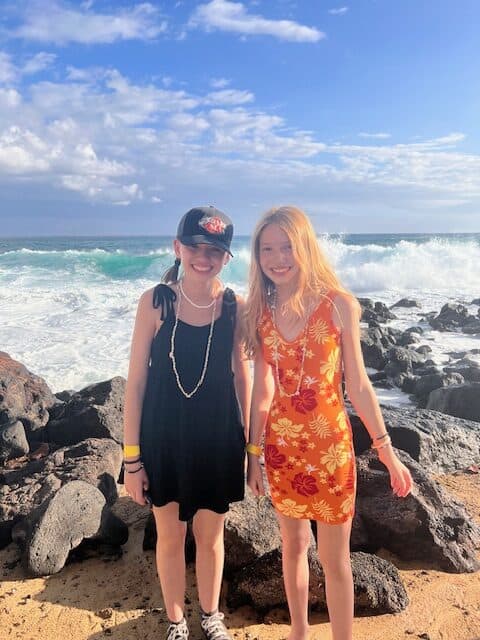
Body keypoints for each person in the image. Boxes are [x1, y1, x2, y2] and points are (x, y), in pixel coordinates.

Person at [245, 206, 413, 640]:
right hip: (282, 450)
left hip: (331, 449)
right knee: (294, 547)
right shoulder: (259, 314)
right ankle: (299, 633)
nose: (278, 257)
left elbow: (358, 384)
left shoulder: (339, 306)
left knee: (336, 559)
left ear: (305, 247)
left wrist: (387, 453)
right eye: (267, 249)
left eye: (287, 247)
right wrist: (254, 454)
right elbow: (262, 391)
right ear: (257, 256)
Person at [123, 206, 250, 640]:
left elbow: (244, 380)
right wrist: (132, 460)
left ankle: (211, 617)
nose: (204, 256)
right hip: (163, 439)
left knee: (212, 537)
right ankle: (176, 621)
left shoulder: (236, 307)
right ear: (177, 248)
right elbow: (136, 382)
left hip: (219, 439)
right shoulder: (155, 302)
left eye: (215, 249)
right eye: (195, 246)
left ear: (226, 257)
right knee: (170, 536)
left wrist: (252, 449)